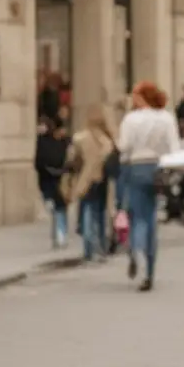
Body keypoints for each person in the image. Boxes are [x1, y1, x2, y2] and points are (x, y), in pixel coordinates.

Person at [117, 82, 179, 289]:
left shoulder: (131, 119)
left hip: (137, 167)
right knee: (151, 217)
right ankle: (150, 269)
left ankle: (137, 254)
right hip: (158, 168)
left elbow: (124, 147)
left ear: (141, 97)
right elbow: (174, 148)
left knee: (138, 216)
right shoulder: (166, 118)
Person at [65, 106, 115, 259]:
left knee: (86, 212)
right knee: (99, 214)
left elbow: (71, 158)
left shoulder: (79, 138)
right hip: (101, 179)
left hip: (84, 179)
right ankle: (100, 247)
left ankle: (88, 250)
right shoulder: (107, 141)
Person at [35, 115, 70, 245]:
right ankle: (60, 234)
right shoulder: (46, 141)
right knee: (58, 207)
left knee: (59, 207)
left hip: (57, 179)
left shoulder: (63, 142)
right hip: (51, 179)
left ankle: (60, 234)